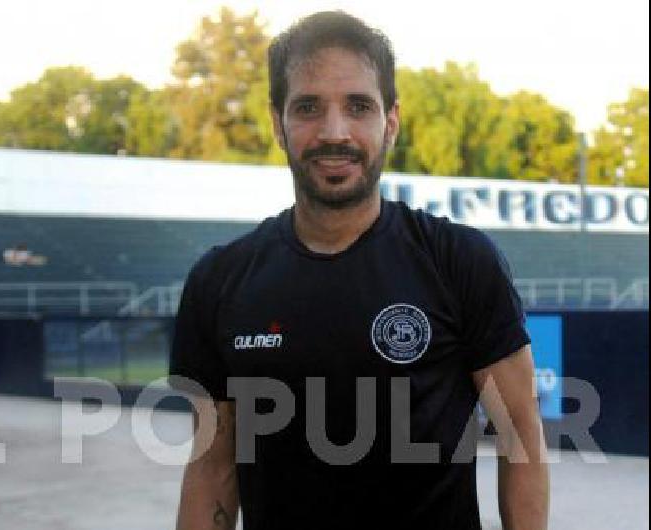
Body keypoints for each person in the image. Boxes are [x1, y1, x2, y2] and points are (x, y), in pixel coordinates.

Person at [169, 11, 549, 530]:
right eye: (307, 107)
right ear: (277, 122)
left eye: (357, 107)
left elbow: (522, 439)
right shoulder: (220, 281)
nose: (333, 131)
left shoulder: (459, 261)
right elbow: (212, 469)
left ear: (389, 121)